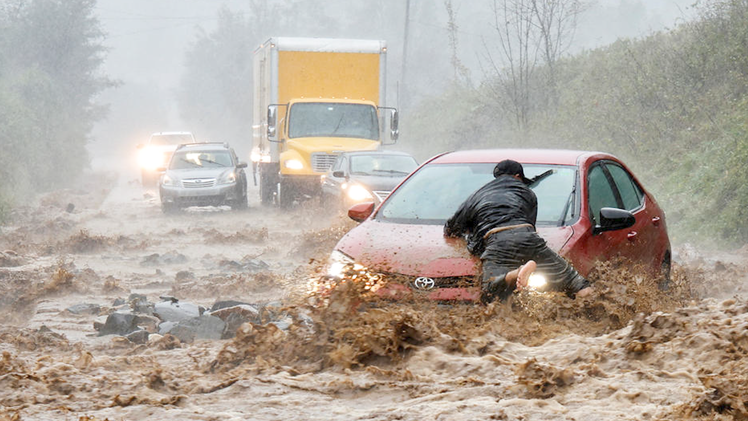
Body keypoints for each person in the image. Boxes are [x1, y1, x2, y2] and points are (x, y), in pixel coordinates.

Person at [444, 159, 592, 303]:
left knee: (489, 290)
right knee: (575, 282)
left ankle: (516, 273)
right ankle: (596, 310)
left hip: (497, 240)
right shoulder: (528, 193)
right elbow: (529, 226)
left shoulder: (477, 196)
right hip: (528, 236)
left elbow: (451, 228)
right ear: (517, 176)